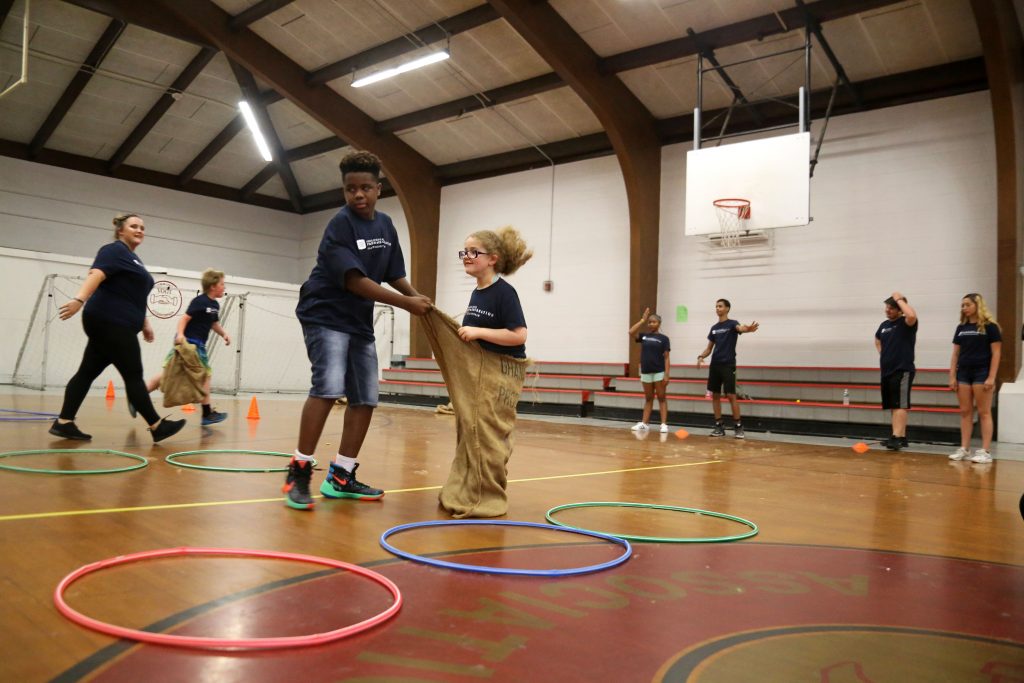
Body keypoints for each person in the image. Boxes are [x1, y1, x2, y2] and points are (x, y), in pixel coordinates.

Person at [283, 151, 432, 510]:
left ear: (378, 189)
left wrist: (420, 299)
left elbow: (393, 273)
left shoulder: (385, 226)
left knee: (365, 397)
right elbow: (355, 282)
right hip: (325, 314)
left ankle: (341, 475)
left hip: (358, 321)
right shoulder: (340, 225)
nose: (358, 195)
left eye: (365, 187)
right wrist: (407, 306)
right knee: (329, 387)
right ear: (345, 191)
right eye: (351, 189)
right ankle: (299, 470)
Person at [50, 213, 186, 443]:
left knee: (86, 373)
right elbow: (96, 274)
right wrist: (79, 300)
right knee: (133, 375)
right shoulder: (113, 250)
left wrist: (144, 324)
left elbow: (134, 296)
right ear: (120, 231)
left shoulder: (134, 259)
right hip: (111, 321)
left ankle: (64, 422)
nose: (140, 230)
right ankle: (156, 425)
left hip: (115, 323)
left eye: (143, 227)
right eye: (134, 226)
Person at [138, 269, 231, 425]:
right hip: (189, 345)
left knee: (168, 373)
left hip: (199, 346)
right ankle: (207, 414)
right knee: (206, 375)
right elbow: (184, 319)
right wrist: (180, 335)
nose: (224, 287)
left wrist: (224, 334)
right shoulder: (199, 301)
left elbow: (214, 323)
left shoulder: (214, 305)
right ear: (213, 286)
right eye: (222, 284)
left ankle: (137, 398)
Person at [948, 293, 1002, 464]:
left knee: (984, 412)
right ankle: (964, 448)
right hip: (963, 373)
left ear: (977, 305)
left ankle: (985, 451)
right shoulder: (961, 328)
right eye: (962, 305)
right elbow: (955, 353)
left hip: (982, 373)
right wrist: (952, 376)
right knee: (965, 412)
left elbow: (996, 353)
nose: (964, 308)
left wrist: (992, 377)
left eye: (967, 305)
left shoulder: (990, 327)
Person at [696, 299, 759, 438]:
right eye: (716, 306)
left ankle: (738, 426)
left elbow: (740, 328)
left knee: (731, 395)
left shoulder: (732, 323)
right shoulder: (714, 328)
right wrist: (701, 356)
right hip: (715, 365)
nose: (717, 308)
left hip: (728, 365)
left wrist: (747, 329)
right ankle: (719, 426)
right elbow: (708, 348)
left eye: (720, 306)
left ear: (727, 309)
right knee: (715, 395)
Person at [874, 292, 918, 451]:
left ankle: (896, 437)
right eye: (887, 307)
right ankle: (901, 435)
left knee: (900, 405)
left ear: (900, 309)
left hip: (902, 369)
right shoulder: (884, 326)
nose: (888, 310)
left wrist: (899, 299)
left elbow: (911, 314)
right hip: (887, 370)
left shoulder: (906, 323)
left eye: (892, 308)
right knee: (894, 405)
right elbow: (877, 339)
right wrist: (883, 353)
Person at [628, 308, 671, 433]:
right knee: (648, 398)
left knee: (661, 397)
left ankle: (663, 424)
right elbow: (631, 332)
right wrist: (642, 320)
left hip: (659, 372)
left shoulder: (664, 339)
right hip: (646, 371)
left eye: (654, 322)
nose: (651, 324)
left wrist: (667, 374)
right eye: (650, 322)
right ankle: (644, 423)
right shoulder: (644, 336)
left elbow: (667, 358)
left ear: (659, 324)